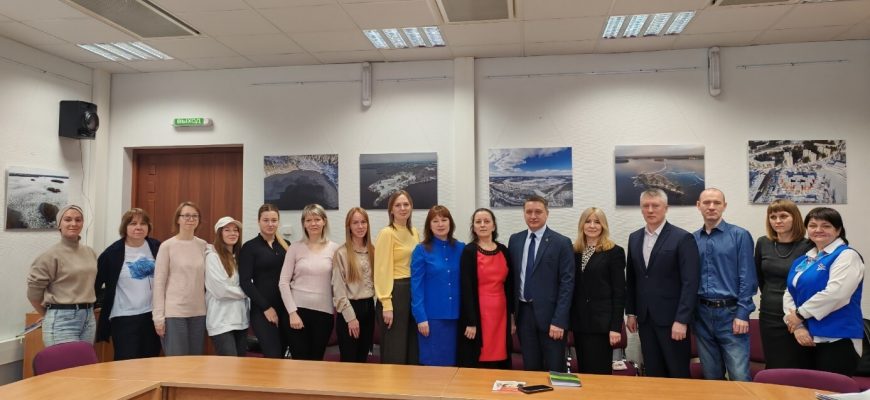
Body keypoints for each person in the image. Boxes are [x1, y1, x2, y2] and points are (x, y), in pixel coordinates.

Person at [625, 189, 699, 378]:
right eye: (646, 206)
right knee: (653, 372)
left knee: (677, 372)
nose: (650, 210)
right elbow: (632, 278)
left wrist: (682, 320)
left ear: (666, 208)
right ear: (641, 209)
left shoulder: (682, 238)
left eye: (655, 205)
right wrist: (631, 312)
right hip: (645, 319)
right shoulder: (634, 238)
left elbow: (690, 283)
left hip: (673, 321)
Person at [784, 207, 865, 377]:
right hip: (805, 337)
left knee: (832, 389)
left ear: (838, 230)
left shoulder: (847, 256)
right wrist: (797, 326)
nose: (818, 230)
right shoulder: (804, 260)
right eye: (813, 225)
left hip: (837, 338)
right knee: (804, 389)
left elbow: (837, 294)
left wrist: (799, 315)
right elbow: (790, 293)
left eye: (826, 226)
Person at [692, 188, 757, 381]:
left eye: (717, 203)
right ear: (698, 206)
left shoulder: (739, 235)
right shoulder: (692, 239)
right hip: (701, 315)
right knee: (711, 377)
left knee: (739, 377)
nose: (711, 207)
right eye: (706, 202)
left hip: (731, 314)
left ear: (724, 206)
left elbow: (747, 276)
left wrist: (743, 314)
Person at [508, 195, 574, 372]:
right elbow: (512, 280)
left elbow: (567, 285)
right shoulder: (515, 240)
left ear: (547, 213)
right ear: (524, 213)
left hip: (552, 319)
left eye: (538, 211)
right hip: (524, 316)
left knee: (555, 370)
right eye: (529, 212)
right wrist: (512, 315)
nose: (533, 216)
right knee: (531, 369)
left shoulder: (561, 243)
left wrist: (559, 320)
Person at [94, 208, 162, 360]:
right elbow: (96, 284)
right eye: (133, 223)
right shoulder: (111, 254)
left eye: (143, 223)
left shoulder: (157, 247)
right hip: (124, 317)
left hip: (152, 316)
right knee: (126, 364)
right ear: (124, 227)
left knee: (152, 362)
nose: (138, 227)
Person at [27, 205, 98, 346]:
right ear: (59, 224)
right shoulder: (50, 256)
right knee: (64, 361)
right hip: (62, 321)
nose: (73, 223)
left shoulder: (90, 252)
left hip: (88, 319)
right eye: (68, 219)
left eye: (78, 220)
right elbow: (33, 295)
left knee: (85, 360)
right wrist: (48, 315)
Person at [755, 199, 813, 369]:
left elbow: (810, 283)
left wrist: (799, 318)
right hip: (769, 314)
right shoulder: (763, 243)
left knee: (798, 364)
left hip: (797, 315)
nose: (777, 221)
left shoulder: (809, 246)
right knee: (774, 363)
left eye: (783, 216)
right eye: (773, 217)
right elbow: (759, 278)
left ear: (795, 217)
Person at [279, 204, 339, 360]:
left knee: (316, 362)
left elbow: (339, 284)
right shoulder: (294, 248)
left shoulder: (335, 249)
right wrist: (292, 313)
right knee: (300, 362)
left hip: (324, 315)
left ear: (324, 221)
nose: (313, 223)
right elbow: (283, 282)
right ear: (304, 224)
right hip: (297, 312)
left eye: (317, 219)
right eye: (309, 220)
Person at [570, 207, 626, 375]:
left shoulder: (614, 252)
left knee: (600, 374)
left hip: (602, 326)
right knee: (584, 373)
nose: (592, 225)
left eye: (597, 222)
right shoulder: (574, 251)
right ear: (582, 225)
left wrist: (615, 327)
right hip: (580, 323)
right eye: (588, 221)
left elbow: (619, 293)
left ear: (603, 226)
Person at [458, 208, 514, 369]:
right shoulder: (469, 251)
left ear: (493, 226)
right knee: (481, 355)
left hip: (501, 313)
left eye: (487, 221)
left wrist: (512, 318)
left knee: (501, 352)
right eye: (478, 222)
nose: (482, 225)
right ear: (473, 227)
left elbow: (510, 286)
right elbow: (466, 289)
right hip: (479, 313)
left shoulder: (504, 250)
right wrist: (471, 321)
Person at [410, 205, 465, 366]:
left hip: (457, 318)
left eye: (444, 220)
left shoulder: (461, 248)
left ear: (450, 223)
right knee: (433, 367)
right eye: (435, 221)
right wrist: (421, 318)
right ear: (429, 225)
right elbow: (416, 288)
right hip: (432, 320)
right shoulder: (421, 250)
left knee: (455, 367)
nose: (440, 224)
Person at [152, 201, 208, 356]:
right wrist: (158, 318)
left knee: (195, 362)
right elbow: (159, 284)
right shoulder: (167, 246)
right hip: (174, 313)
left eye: (195, 216)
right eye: (186, 216)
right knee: (176, 363)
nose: (191, 219)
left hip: (199, 312)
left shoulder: (203, 245)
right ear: (178, 219)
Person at [374, 190, 421, 365]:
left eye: (406, 204)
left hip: (412, 291)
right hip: (395, 293)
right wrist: (386, 303)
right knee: (395, 349)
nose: (402, 208)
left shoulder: (414, 232)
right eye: (398, 205)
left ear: (411, 207)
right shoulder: (387, 233)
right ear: (391, 210)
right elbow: (381, 270)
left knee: (411, 347)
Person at [239, 204, 290, 358]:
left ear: (278, 222)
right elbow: (245, 282)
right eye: (266, 220)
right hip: (262, 310)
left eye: (274, 220)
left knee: (282, 355)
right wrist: (266, 307)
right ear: (258, 221)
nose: (270, 224)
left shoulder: (286, 245)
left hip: (285, 309)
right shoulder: (250, 247)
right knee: (273, 355)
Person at [332, 207, 376, 363]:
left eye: (363, 222)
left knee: (362, 360)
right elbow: (338, 290)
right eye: (355, 223)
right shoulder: (341, 253)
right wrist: (351, 318)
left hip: (369, 308)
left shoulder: (373, 250)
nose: (360, 226)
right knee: (349, 362)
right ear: (349, 226)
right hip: (349, 310)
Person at [205, 216, 249, 357]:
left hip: (241, 321)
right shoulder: (212, 257)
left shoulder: (240, 257)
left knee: (241, 365)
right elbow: (220, 291)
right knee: (230, 366)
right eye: (227, 230)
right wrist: (247, 291)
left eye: (235, 230)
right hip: (221, 322)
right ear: (219, 233)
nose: (233, 233)